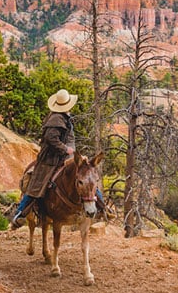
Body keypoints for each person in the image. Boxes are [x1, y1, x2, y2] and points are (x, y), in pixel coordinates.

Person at [11, 89, 113, 228]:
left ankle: (102, 207)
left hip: (65, 157)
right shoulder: (56, 119)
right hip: (50, 159)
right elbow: (51, 139)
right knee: (36, 185)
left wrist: (73, 154)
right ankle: (20, 213)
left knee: (88, 176)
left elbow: (68, 138)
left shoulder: (64, 117)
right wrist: (66, 149)